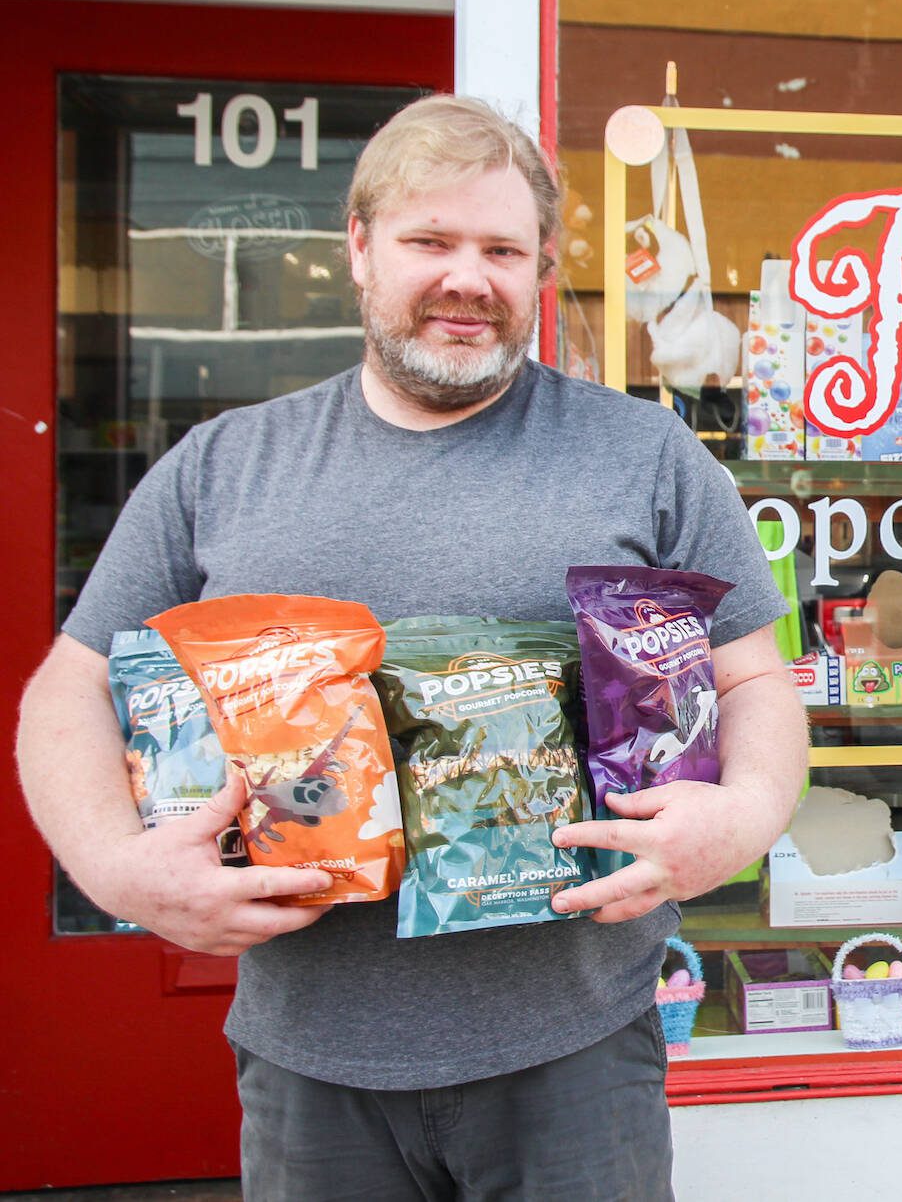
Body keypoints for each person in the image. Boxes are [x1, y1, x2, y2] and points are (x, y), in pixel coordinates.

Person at [15, 95, 807, 1201]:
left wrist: (743, 817)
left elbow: (752, 677)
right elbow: (70, 688)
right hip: (310, 1061)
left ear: (538, 269)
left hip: (574, 1050)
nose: (466, 278)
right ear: (359, 247)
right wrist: (116, 868)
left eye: (501, 249)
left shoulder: (645, 454)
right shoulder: (221, 467)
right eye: (429, 242)